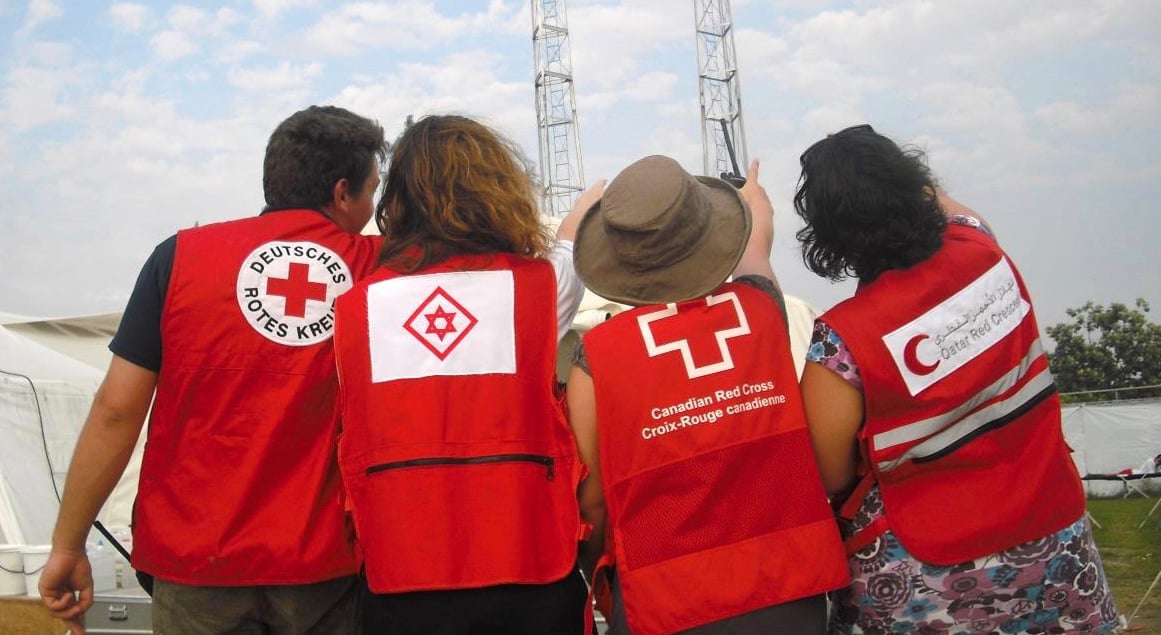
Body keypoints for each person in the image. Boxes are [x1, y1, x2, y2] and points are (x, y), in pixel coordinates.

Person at [39, 105, 386, 634]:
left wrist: (68, 543)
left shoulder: (178, 258)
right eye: (371, 191)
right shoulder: (379, 269)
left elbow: (116, 412)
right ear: (343, 193)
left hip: (193, 563)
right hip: (322, 567)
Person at [794, 125, 1121, 634]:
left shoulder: (842, 342)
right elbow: (944, 203)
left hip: (929, 575)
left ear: (829, 234)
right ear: (912, 185)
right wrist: (892, 169)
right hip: (1053, 536)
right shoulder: (984, 250)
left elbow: (830, 476)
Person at [332, 114, 594, 635]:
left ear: (398, 200)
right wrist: (584, 209)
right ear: (499, 190)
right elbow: (571, 248)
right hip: (530, 565)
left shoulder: (354, 309)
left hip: (401, 574)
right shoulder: (542, 289)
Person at [566, 155, 850, 635]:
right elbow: (756, 247)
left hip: (664, 600)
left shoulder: (596, 357)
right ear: (710, 236)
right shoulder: (762, 309)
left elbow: (590, 502)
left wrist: (602, 571)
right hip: (788, 590)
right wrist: (754, 203)